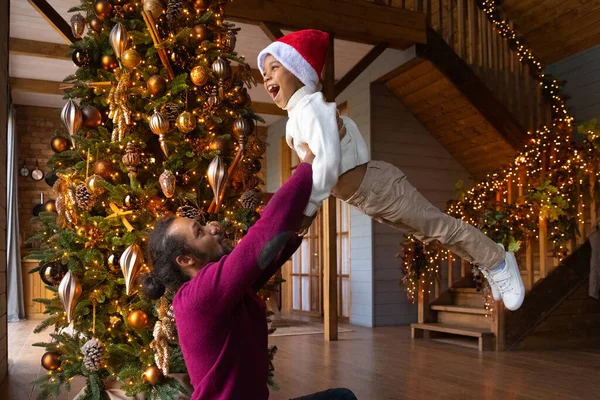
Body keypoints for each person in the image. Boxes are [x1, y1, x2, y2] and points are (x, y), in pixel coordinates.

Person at [257, 29, 525, 311]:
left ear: (300, 71)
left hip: (379, 187)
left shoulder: (312, 107)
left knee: (440, 227)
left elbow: (327, 159)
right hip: (366, 198)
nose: (266, 76)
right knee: (433, 234)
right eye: (264, 71)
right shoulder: (296, 119)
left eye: (275, 67)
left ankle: (498, 260)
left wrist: (309, 207)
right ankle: (488, 261)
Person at [141, 146, 357, 400]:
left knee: (341, 397)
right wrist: (306, 166)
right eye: (199, 232)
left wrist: (307, 212)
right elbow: (260, 240)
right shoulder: (198, 296)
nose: (213, 229)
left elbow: (266, 259)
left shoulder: (219, 289)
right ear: (186, 259)